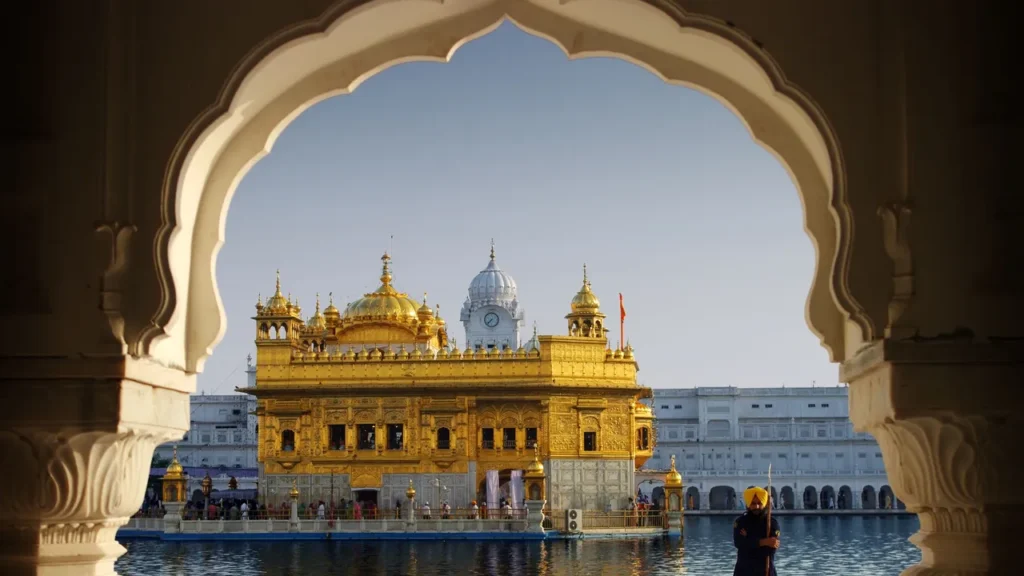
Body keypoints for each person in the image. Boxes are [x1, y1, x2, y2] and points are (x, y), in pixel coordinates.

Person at [733, 487, 781, 576]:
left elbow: (770, 549)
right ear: (748, 504)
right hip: (743, 571)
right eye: (753, 503)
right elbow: (739, 543)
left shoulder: (772, 523)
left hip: (765, 570)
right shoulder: (740, 522)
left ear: (764, 504)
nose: (756, 506)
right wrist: (764, 541)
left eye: (759, 503)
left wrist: (749, 538)